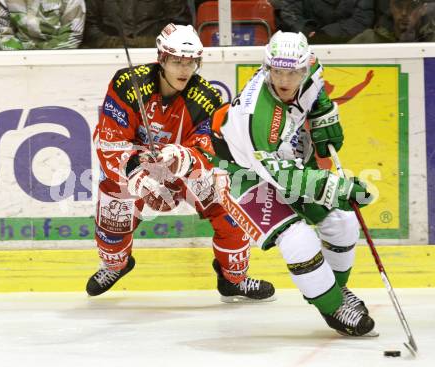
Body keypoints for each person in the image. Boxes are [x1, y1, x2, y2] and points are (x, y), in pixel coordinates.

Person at [150, 31, 377, 336]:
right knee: (298, 240)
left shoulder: (310, 69)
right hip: (239, 172)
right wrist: (338, 188)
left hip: (280, 159)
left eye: (293, 72)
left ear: (305, 66)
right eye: (278, 71)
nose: (285, 79)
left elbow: (316, 91)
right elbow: (284, 178)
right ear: (267, 67)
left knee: (343, 221)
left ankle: (335, 289)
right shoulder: (258, 115)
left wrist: (324, 115)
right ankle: (332, 306)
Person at [86, 23, 275, 303]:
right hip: (135, 167)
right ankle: (116, 265)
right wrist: (135, 173)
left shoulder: (207, 98)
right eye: (176, 61)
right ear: (161, 59)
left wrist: (184, 157)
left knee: (230, 206)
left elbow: (210, 151)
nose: (184, 70)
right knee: (113, 214)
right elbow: (110, 141)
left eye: (191, 63)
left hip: (182, 168)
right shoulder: (127, 84)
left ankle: (233, 278)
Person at [82, 0, 192, 48]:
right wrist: (114, 44)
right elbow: (89, 27)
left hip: (157, 55)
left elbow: (180, 27)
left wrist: (146, 43)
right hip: (106, 55)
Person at [270, 0, 375, 44]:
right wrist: (305, 28)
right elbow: (289, 11)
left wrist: (325, 34)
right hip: (302, 43)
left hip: (351, 46)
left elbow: (362, 19)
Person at [0, 0, 85, 50]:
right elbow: (1, 34)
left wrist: (43, 56)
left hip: (58, 58)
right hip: (17, 59)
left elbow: (72, 35)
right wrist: (24, 57)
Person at [350, 0, 435, 43]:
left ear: (423, 9)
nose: (404, 13)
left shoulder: (432, 40)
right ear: (391, 6)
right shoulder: (369, 40)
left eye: (412, 6)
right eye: (398, 5)